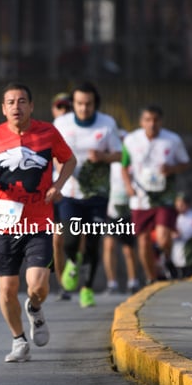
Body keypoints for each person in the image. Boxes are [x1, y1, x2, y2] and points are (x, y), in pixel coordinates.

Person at [0, 83, 75, 363]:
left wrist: (58, 185)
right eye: (10, 102)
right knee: (7, 288)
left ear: (31, 106)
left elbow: (69, 160)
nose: (16, 106)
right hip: (3, 222)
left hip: (39, 221)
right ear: (3, 108)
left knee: (36, 286)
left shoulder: (48, 132)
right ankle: (18, 340)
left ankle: (35, 308)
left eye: (22, 101)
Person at [53, 82, 122, 308]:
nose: (84, 109)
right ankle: (73, 260)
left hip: (98, 194)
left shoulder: (107, 124)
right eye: (79, 104)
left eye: (88, 104)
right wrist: (60, 168)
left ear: (95, 104)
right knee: (70, 240)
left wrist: (102, 157)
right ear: (73, 104)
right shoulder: (61, 123)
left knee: (92, 243)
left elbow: (120, 155)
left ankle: (87, 288)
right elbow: (53, 152)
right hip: (70, 192)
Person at [121, 105, 190, 283]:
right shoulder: (131, 140)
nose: (152, 124)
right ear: (141, 122)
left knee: (163, 237)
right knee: (143, 241)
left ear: (161, 121)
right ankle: (152, 277)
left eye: (155, 120)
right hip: (141, 198)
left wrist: (172, 168)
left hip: (164, 196)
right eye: (147, 120)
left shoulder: (173, 140)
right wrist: (128, 186)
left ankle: (166, 257)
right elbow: (124, 165)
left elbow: (185, 163)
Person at [102, 130, 141, 294]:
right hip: (111, 208)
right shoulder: (108, 160)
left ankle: (133, 282)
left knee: (128, 248)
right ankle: (112, 283)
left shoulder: (132, 160)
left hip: (129, 206)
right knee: (109, 245)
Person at [49, 91, 72, 299]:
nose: (64, 111)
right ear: (54, 110)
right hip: (57, 195)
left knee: (78, 240)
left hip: (79, 195)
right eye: (60, 107)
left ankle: (79, 277)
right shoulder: (46, 133)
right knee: (57, 240)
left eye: (68, 107)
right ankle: (62, 285)